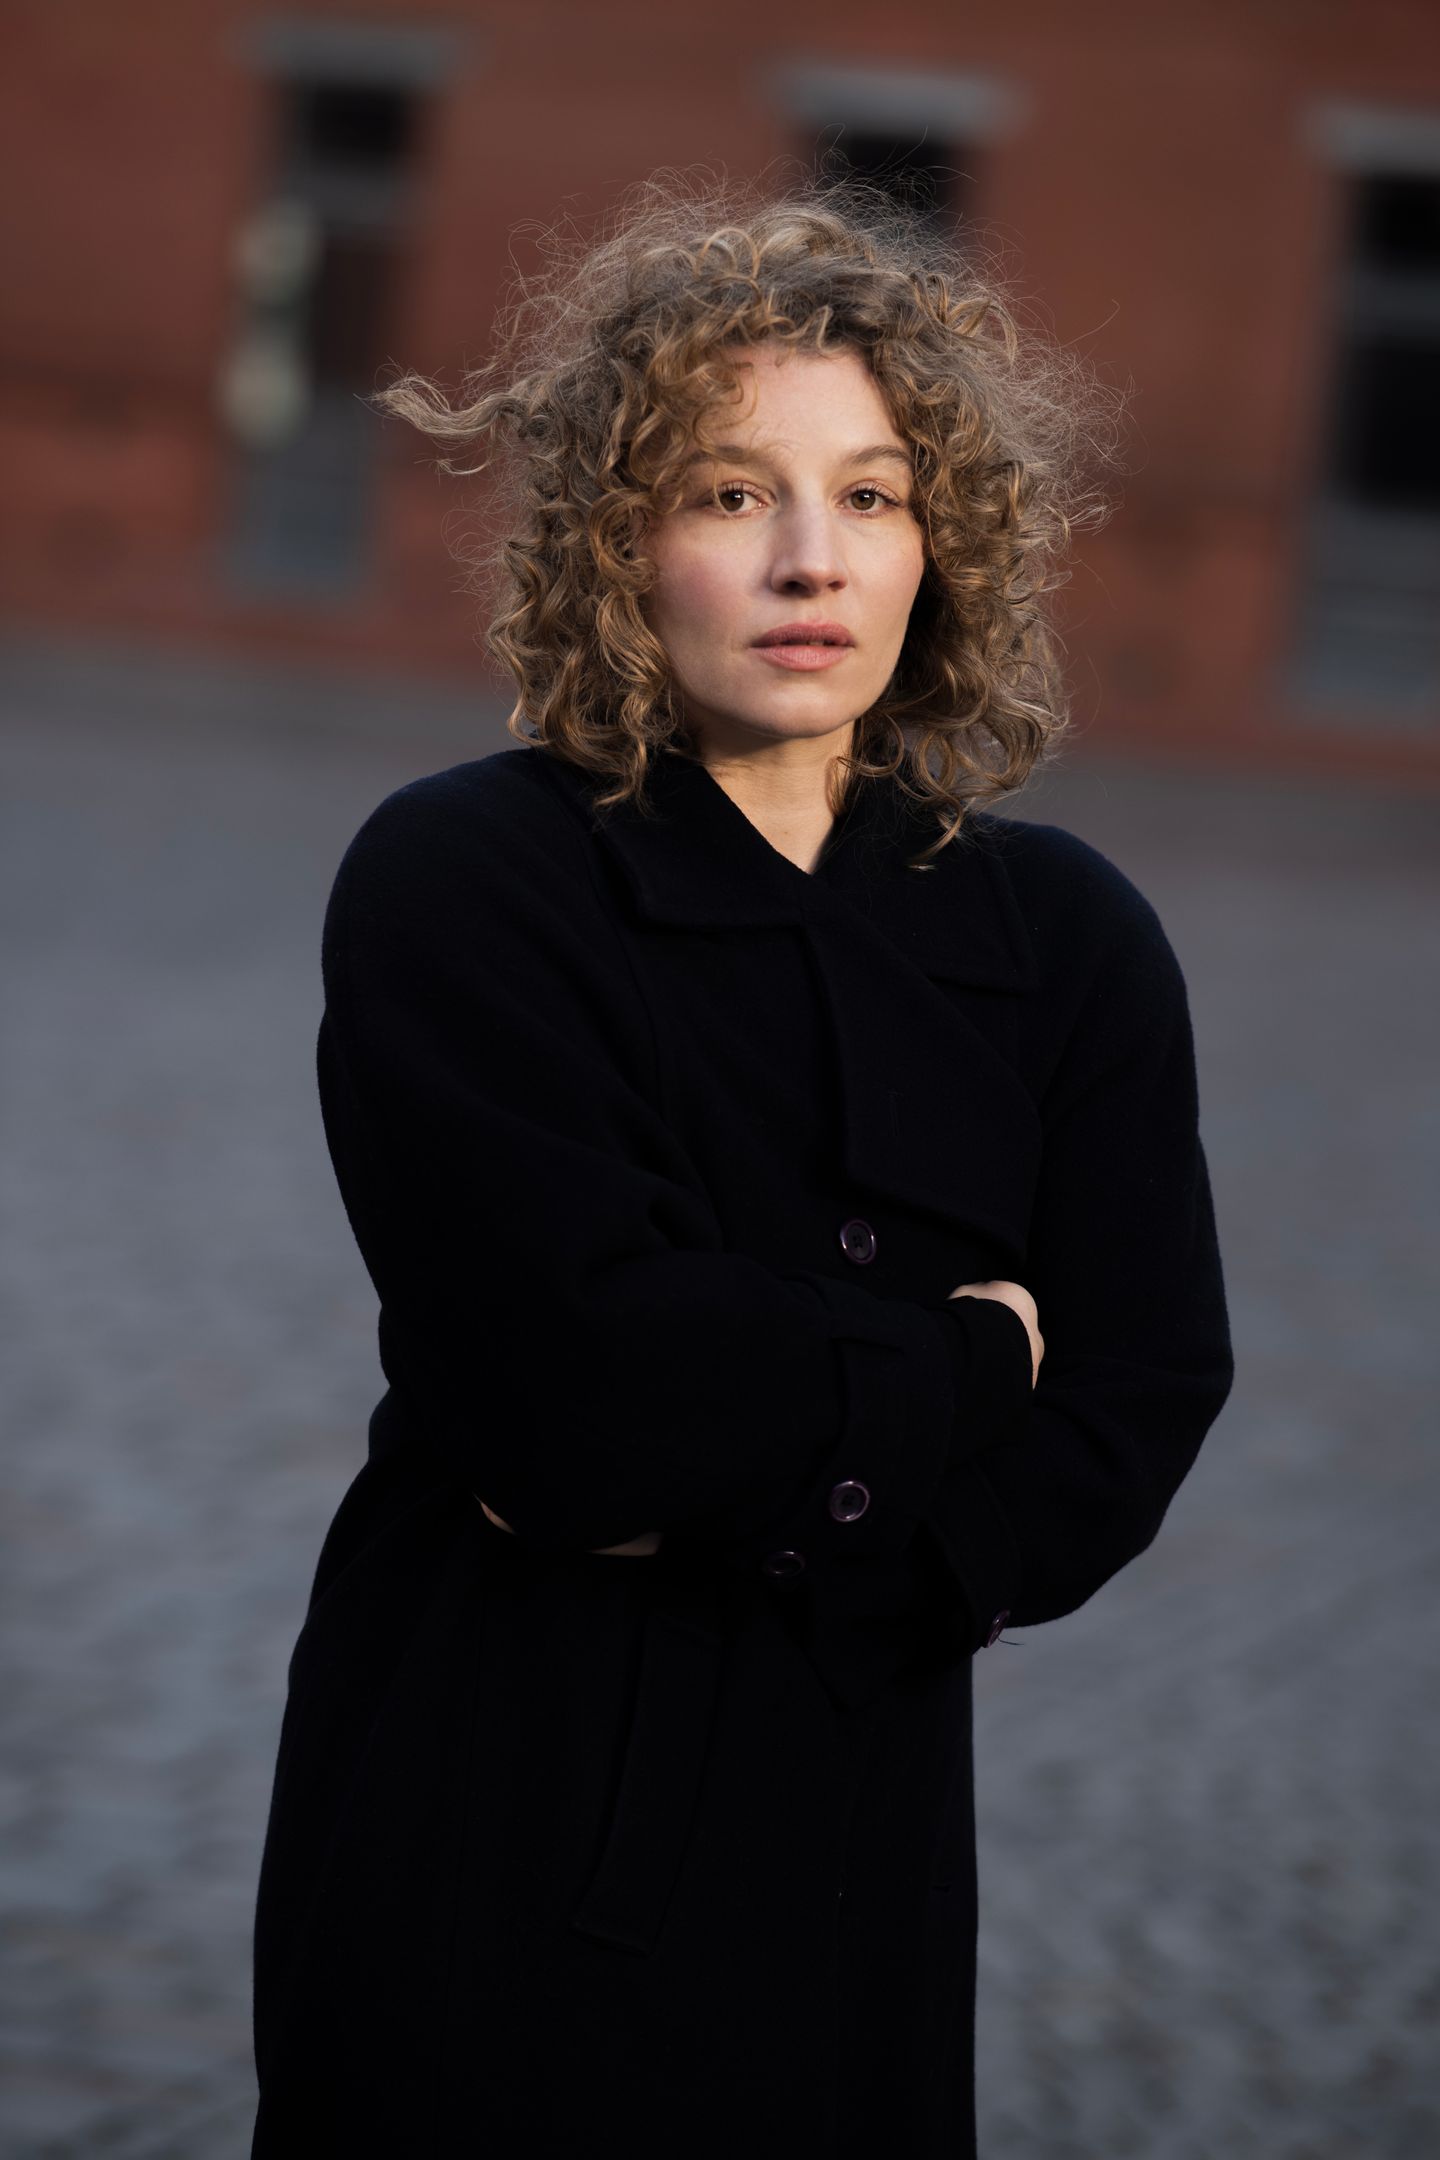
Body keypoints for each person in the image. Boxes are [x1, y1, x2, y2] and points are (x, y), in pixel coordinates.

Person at [248, 170, 1234, 2159]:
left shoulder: (1069, 941)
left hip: (856, 1817)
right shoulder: (470, 880)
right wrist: (965, 1365)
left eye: (872, 496)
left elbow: (1136, 1402)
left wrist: (795, 1503)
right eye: (729, 492)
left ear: (944, 542)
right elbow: (570, 1395)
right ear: (620, 540)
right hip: (485, 1798)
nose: (811, 559)